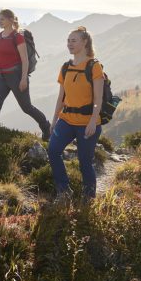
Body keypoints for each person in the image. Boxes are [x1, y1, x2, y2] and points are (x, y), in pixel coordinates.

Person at [47, 26, 104, 201]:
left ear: (84, 42)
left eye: (74, 40)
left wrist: (93, 121)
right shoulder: (66, 67)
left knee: (84, 162)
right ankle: (64, 190)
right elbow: (61, 97)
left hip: (87, 122)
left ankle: (89, 197)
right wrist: (54, 120)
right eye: (68, 41)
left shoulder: (94, 67)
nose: (69, 44)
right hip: (66, 119)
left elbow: (98, 98)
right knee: (52, 150)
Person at [0, 8, 51, 139]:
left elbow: (24, 59)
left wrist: (23, 79)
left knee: (26, 107)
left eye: (2, 19)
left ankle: (46, 127)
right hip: (1, 76)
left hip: (16, 76)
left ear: (10, 20)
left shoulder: (17, 36)